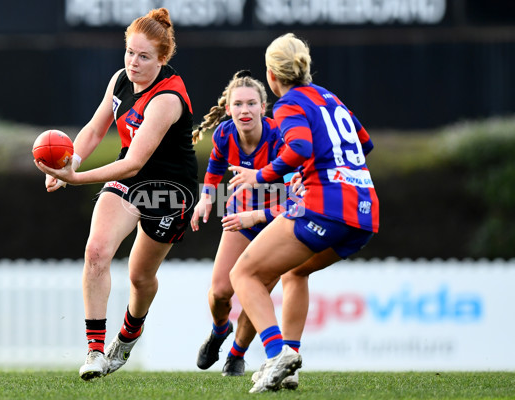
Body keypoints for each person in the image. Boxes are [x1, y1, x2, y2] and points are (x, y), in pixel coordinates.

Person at [34, 8, 198, 381]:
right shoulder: (120, 80)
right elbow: (94, 130)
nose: (134, 63)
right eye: (129, 52)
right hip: (131, 182)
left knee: (140, 278)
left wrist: (77, 179)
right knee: (96, 252)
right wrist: (68, 161)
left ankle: (127, 337)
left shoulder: (167, 99)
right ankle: (94, 351)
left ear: (162, 58)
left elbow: (133, 164)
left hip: (171, 189)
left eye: (144, 56)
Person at [227, 33, 379, 393]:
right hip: (364, 210)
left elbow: (299, 147)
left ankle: (276, 352)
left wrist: (260, 175)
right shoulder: (330, 98)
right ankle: (289, 365)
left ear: (271, 75)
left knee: (244, 274)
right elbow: (365, 142)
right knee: (295, 272)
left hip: (326, 206)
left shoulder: (289, 103)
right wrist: (326, 169)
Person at [190, 70, 293, 377]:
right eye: (238, 104)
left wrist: (258, 215)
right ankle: (219, 331)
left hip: (278, 223)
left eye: (251, 104)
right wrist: (207, 197)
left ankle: (237, 355)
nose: (244, 110)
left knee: (254, 293)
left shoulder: (281, 138)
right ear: (228, 108)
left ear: (264, 107)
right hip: (240, 216)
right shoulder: (224, 133)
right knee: (220, 291)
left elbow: (296, 200)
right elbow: (214, 168)